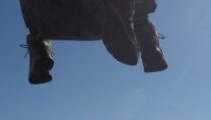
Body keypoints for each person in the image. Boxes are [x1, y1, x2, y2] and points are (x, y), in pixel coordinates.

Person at [20, 0, 167, 84]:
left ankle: (40, 58)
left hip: (53, 20)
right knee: (140, 16)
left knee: (37, 32)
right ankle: (151, 52)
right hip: (98, 21)